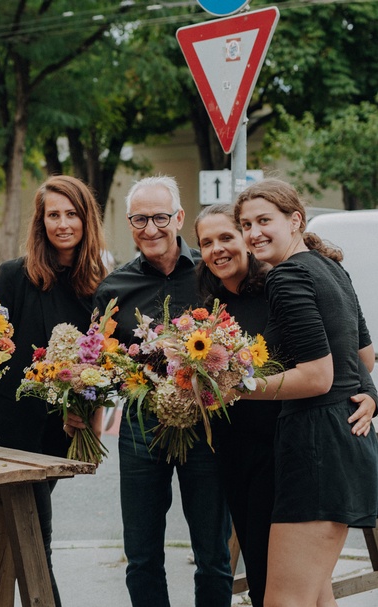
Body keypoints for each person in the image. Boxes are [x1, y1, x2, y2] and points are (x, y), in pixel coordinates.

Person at [194, 203, 377, 607]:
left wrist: (370, 397)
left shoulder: (286, 279)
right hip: (254, 450)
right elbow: (355, 354)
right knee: (311, 592)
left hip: (300, 448)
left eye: (230, 234)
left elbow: (331, 368)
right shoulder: (209, 310)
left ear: (295, 220)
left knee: (282, 595)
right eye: (206, 242)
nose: (220, 247)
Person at [91, 175, 233, 606]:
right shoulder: (114, 288)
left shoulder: (214, 275)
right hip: (141, 430)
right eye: (139, 219)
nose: (150, 229)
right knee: (141, 553)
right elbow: (100, 362)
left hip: (207, 429)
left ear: (179, 218)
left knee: (213, 554)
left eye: (159, 217)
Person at [0, 175, 109, 606]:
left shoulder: (101, 284)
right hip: (5, 430)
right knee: (33, 535)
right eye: (54, 215)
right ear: (41, 221)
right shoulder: (14, 275)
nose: (63, 223)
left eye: (72, 214)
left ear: (86, 220)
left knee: (12, 538)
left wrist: (89, 413)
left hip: (57, 433)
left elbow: (103, 362)